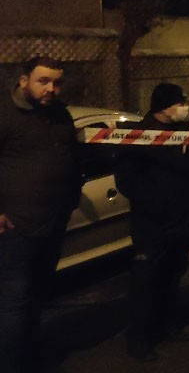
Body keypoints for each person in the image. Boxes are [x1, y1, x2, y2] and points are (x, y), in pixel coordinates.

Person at [115, 83, 189, 361]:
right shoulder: (140, 136)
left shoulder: (183, 133)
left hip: (182, 221)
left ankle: (167, 323)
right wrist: (158, 206)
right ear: (164, 106)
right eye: (181, 103)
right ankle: (139, 339)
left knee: (172, 275)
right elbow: (128, 180)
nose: (186, 107)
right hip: (152, 225)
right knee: (145, 281)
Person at [0, 57, 80, 372]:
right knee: (14, 301)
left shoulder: (59, 113)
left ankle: (30, 356)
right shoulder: (6, 114)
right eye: (43, 81)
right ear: (24, 80)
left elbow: (71, 156)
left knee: (38, 296)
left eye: (56, 83)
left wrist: (70, 200)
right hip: (16, 228)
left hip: (52, 223)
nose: (51, 89)